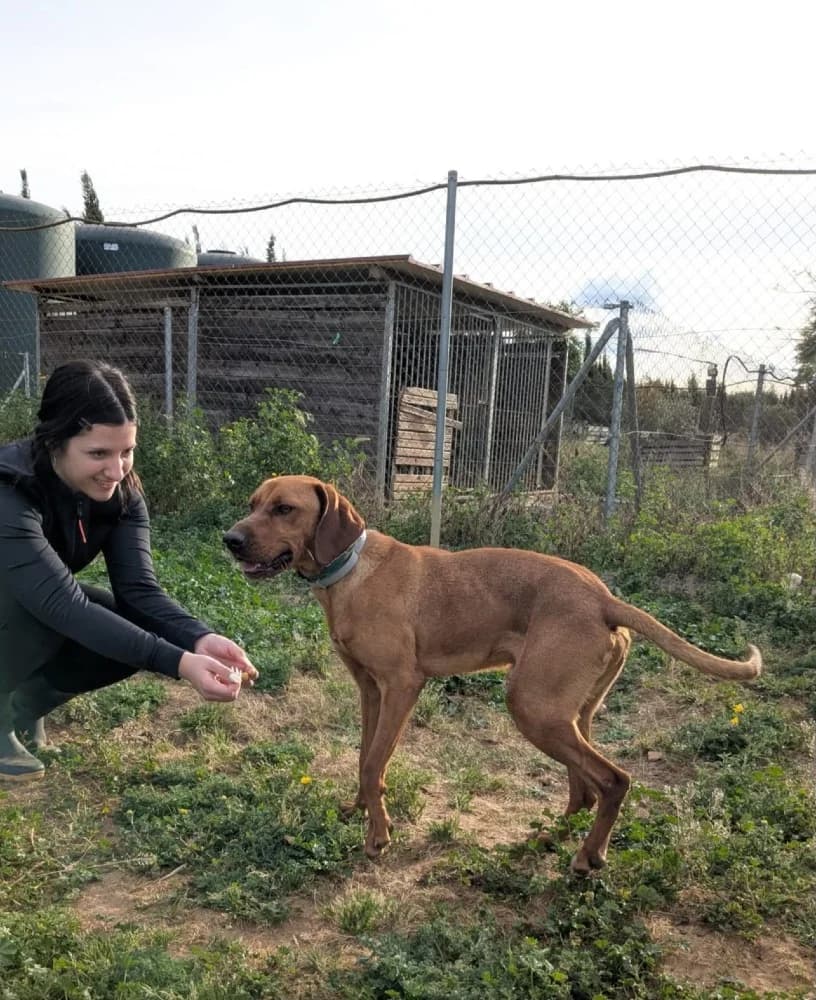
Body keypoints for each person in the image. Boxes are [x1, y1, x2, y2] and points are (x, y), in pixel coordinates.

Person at [0, 360, 258, 782]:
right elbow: (60, 604)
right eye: (98, 453)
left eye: (126, 451)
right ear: (53, 442)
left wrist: (199, 637)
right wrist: (178, 662)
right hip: (17, 606)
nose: (116, 470)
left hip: (26, 604)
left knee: (119, 621)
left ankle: (22, 709)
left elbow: (139, 591)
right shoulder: (9, 491)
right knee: (43, 616)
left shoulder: (120, 495)